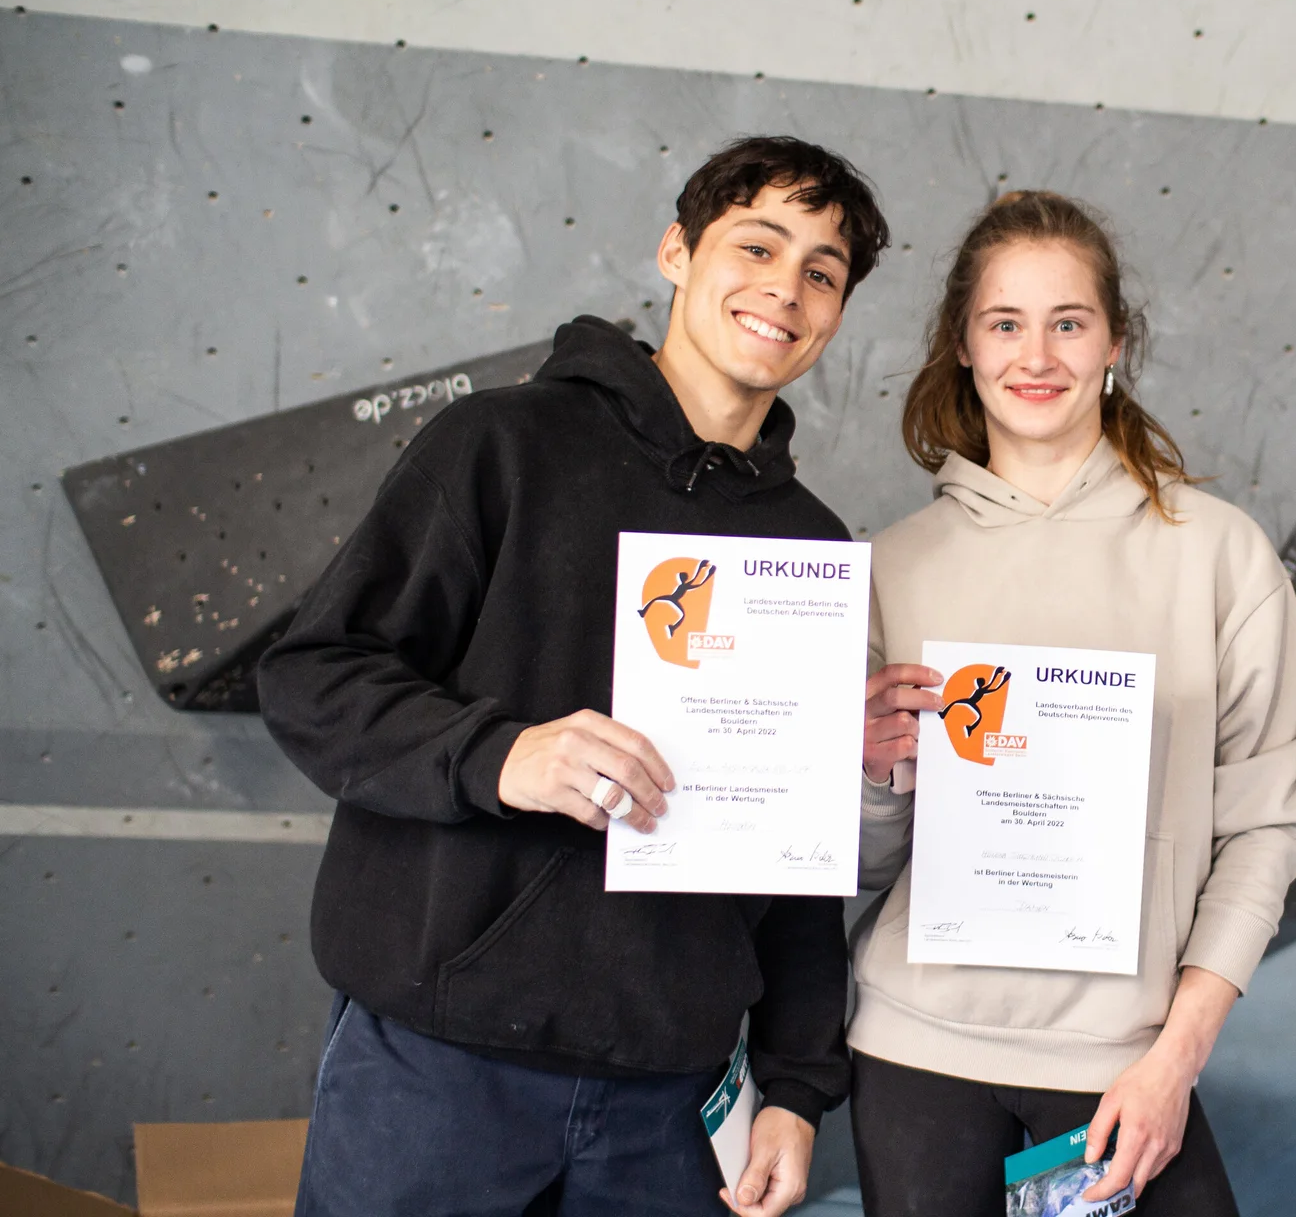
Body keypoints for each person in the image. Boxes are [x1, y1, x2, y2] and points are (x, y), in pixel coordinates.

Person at [257, 136, 890, 1217]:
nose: (786, 289)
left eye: (821, 272)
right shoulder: (501, 444)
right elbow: (314, 674)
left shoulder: (809, 545)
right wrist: (502, 755)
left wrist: (794, 1082)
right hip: (441, 1067)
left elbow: (792, 853)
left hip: (672, 1101)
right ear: (677, 251)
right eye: (757, 246)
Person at [853, 191, 1296, 1215]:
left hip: (1127, 1058)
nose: (1037, 355)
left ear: (1115, 341)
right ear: (963, 346)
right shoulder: (889, 566)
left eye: (1068, 322)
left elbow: (1265, 825)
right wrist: (879, 776)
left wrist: (1175, 1057)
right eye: (1004, 323)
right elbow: (864, 865)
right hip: (917, 1050)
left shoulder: (1222, 555)